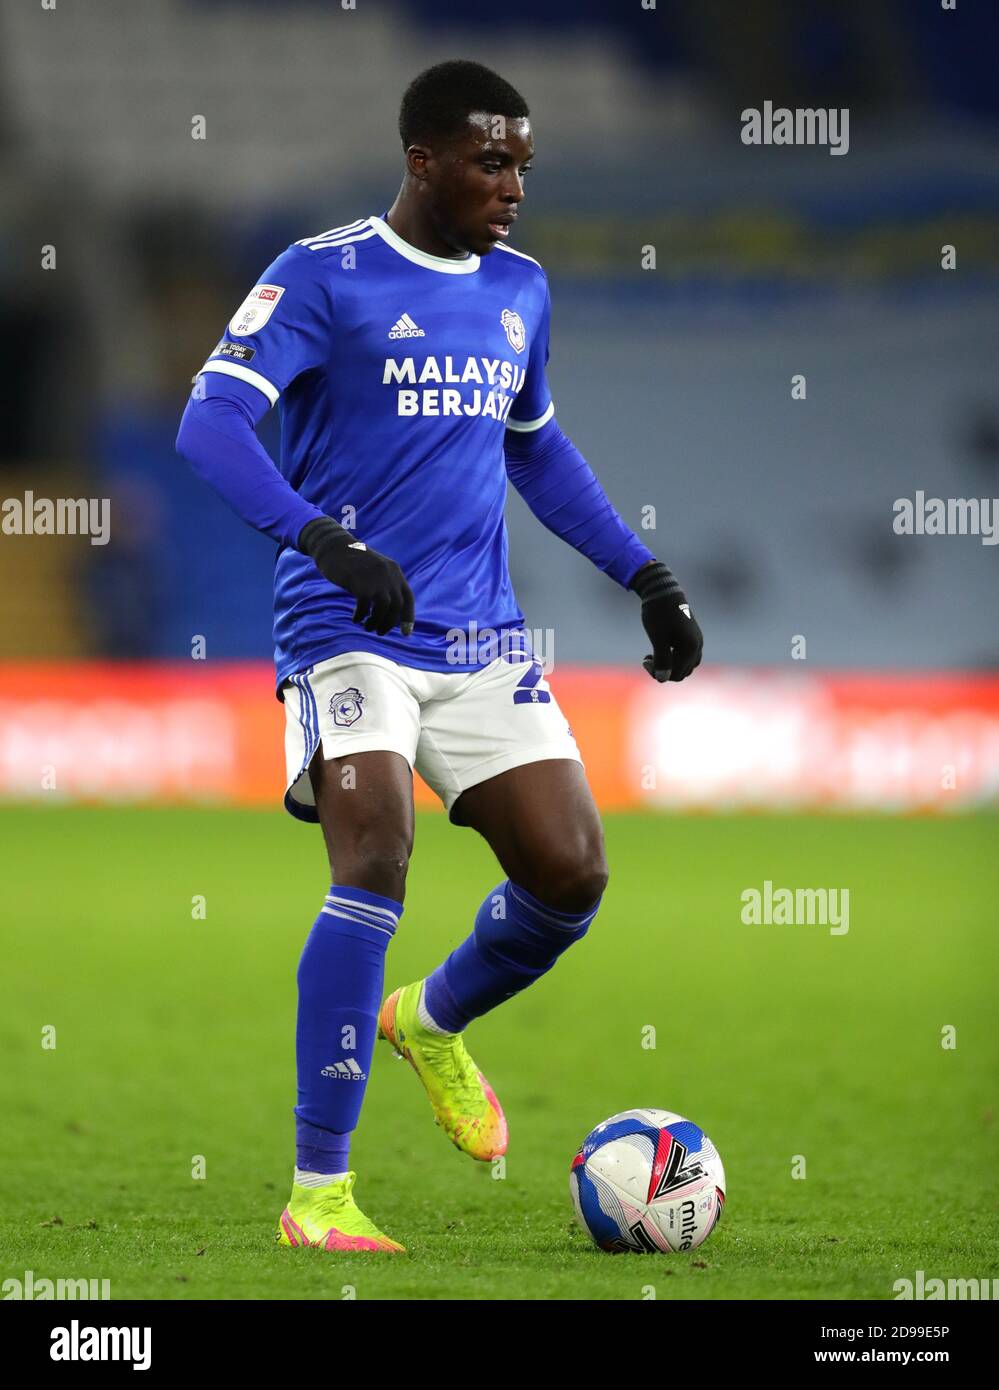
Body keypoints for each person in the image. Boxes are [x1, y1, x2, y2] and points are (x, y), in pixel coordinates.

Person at [176, 59, 702, 1254]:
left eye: (523, 164)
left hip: (480, 639)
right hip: (344, 628)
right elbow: (209, 420)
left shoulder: (520, 288)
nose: (514, 186)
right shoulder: (323, 273)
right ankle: (321, 1192)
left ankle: (432, 1020)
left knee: (571, 877)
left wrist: (645, 575)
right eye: (491, 162)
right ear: (424, 160)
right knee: (376, 860)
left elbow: (539, 451)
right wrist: (321, 537)